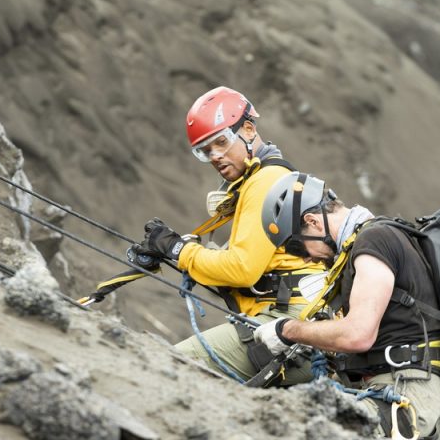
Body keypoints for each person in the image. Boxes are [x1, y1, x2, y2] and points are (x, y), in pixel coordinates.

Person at [252, 171, 440, 440]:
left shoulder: (374, 240)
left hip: (404, 393)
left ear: (312, 222)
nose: (307, 258)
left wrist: (288, 330)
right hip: (405, 390)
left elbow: (358, 334)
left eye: (297, 246)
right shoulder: (374, 239)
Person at [130, 86, 324, 385]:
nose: (215, 156)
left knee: (164, 367)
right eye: (205, 151)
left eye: (221, 142)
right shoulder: (268, 179)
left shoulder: (265, 182)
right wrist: (182, 252)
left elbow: (241, 269)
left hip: (287, 323)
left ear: (248, 129)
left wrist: (178, 250)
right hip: (300, 320)